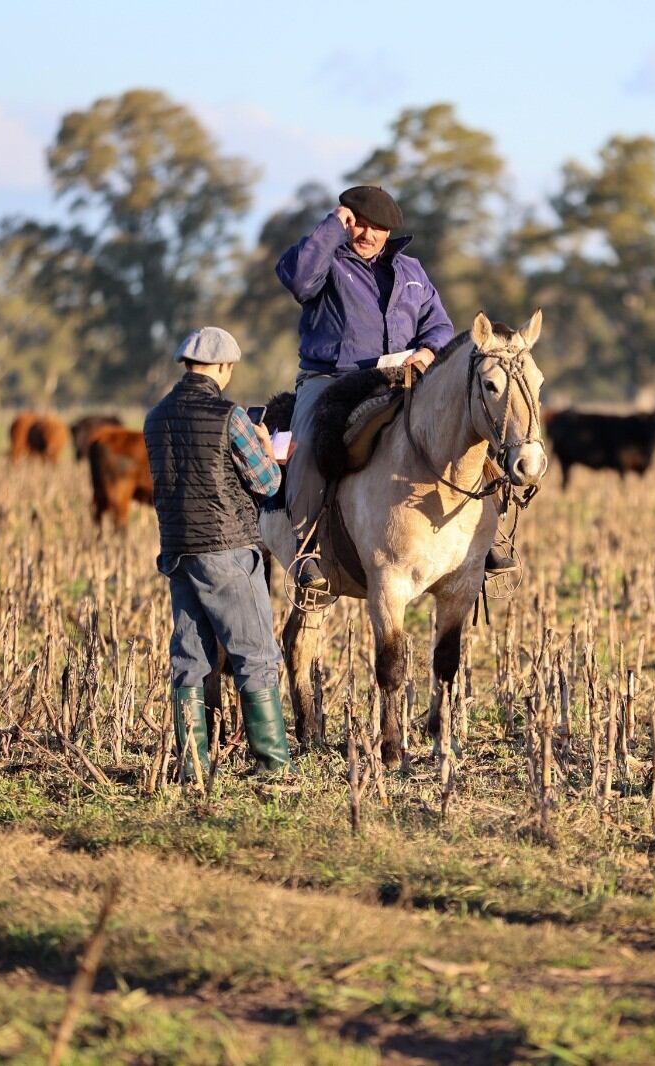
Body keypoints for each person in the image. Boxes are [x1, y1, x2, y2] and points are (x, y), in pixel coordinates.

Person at [275, 185, 517, 593]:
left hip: (404, 378)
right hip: (333, 379)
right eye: (358, 223)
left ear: (391, 232)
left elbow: (438, 324)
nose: (367, 234)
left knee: (472, 430)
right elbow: (298, 282)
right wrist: (332, 228)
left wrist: (427, 351)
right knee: (311, 443)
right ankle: (308, 549)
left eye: (377, 227)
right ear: (346, 220)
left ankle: (487, 538)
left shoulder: (412, 272)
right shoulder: (325, 261)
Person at [144, 326, 292, 781]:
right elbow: (267, 483)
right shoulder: (231, 417)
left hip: (177, 550)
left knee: (191, 658)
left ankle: (192, 767)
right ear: (225, 367)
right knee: (256, 655)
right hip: (227, 549)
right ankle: (272, 766)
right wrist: (268, 450)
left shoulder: (155, 417)